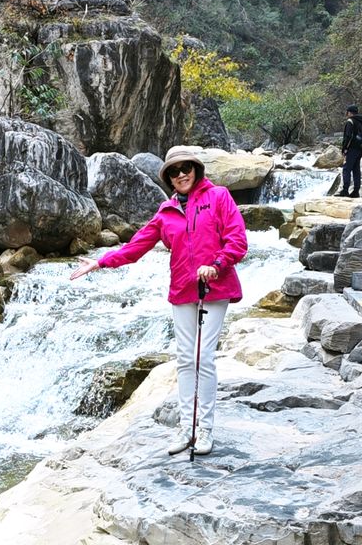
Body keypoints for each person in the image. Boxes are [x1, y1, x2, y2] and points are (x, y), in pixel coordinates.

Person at [70, 147, 248, 456]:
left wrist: (217, 264)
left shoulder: (218, 197)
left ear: (196, 169)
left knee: (202, 358)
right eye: (174, 171)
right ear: (168, 177)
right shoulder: (166, 211)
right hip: (182, 290)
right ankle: (185, 428)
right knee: (183, 359)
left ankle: (203, 429)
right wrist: (100, 262)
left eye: (186, 168)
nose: (181, 174)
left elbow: (238, 240)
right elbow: (137, 245)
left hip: (214, 288)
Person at [338, 104, 362, 198]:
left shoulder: (350, 121)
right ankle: (356, 191)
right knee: (356, 170)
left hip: (352, 149)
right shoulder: (361, 121)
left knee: (346, 169)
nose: (346, 114)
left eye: (347, 112)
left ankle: (345, 190)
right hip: (360, 149)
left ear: (349, 112)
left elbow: (348, 137)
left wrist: (344, 149)